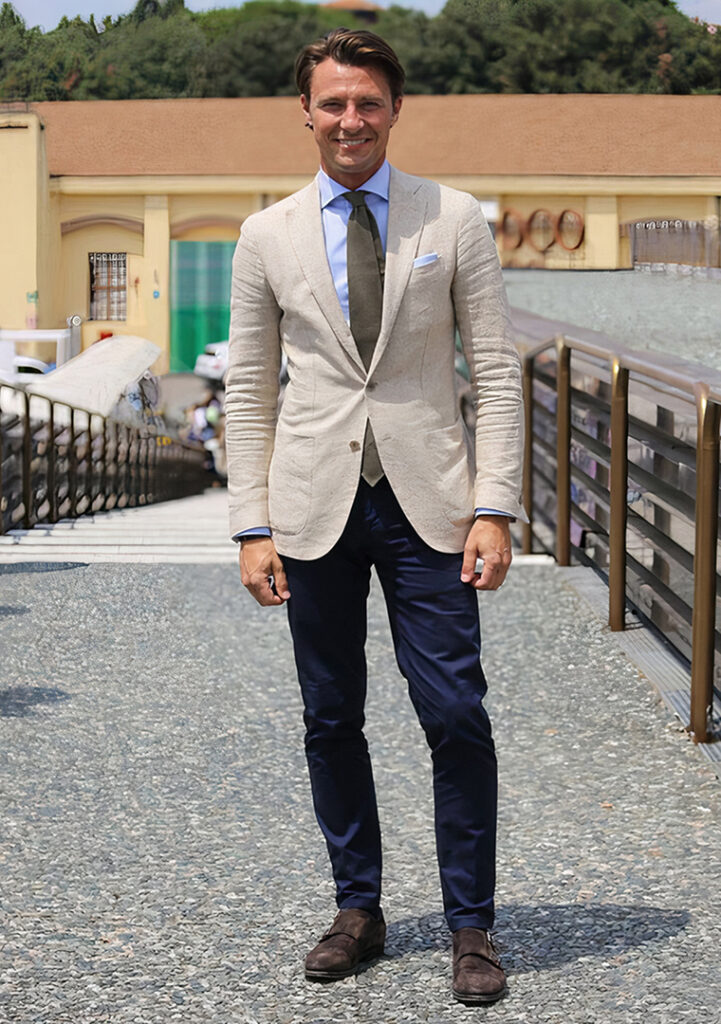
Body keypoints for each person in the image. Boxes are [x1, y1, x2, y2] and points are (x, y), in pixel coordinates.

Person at [225, 28, 525, 1005]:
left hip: (430, 502)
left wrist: (495, 506)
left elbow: (498, 372)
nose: (349, 119)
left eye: (367, 103)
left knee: (455, 713)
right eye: (332, 104)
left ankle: (470, 925)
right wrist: (249, 523)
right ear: (304, 114)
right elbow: (248, 391)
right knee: (329, 716)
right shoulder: (264, 234)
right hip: (311, 503)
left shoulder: (457, 219)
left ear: (394, 111)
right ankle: (358, 909)